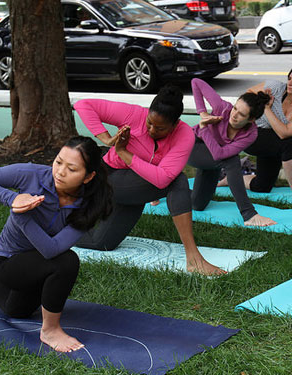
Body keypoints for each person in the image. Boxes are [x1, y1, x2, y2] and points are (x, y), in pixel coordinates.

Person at [74, 85, 225, 276]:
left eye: (160, 128)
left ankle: (61, 229)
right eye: (149, 123)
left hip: (135, 189)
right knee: (178, 180)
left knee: (101, 243)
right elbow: (83, 105)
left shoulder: (184, 135)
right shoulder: (133, 114)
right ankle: (194, 259)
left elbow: (162, 178)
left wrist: (124, 152)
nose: (152, 130)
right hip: (108, 179)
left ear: (175, 124)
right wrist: (107, 139)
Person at [0, 137, 112, 353]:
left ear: (88, 177)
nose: (59, 172)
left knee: (62, 260)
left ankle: (47, 325)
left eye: (71, 169)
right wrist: (12, 199)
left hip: (24, 290)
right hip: (5, 266)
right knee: (66, 262)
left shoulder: (89, 205)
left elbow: (51, 249)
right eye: (58, 162)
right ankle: (50, 330)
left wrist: (22, 217)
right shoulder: (31, 174)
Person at [219, 65, 292, 204]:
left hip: (271, 142)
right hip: (250, 134)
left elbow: (284, 132)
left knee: (262, 186)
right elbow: (247, 97)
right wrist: (260, 102)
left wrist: (267, 108)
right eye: (289, 78)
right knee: (289, 144)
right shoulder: (275, 87)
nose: (289, 83)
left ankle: (231, 179)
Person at [189, 78, 276, 227]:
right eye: (235, 108)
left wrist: (205, 129)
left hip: (212, 156)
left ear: (251, 119)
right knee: (232, 161)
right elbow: (196, 82)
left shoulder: (250, 134)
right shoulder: (222, 108)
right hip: (192, 146)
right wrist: (202, 114)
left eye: (241, 114)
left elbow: (219, 154)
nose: (233, 115)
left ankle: (167, 189)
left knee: (197, 204)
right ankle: (249, 214)